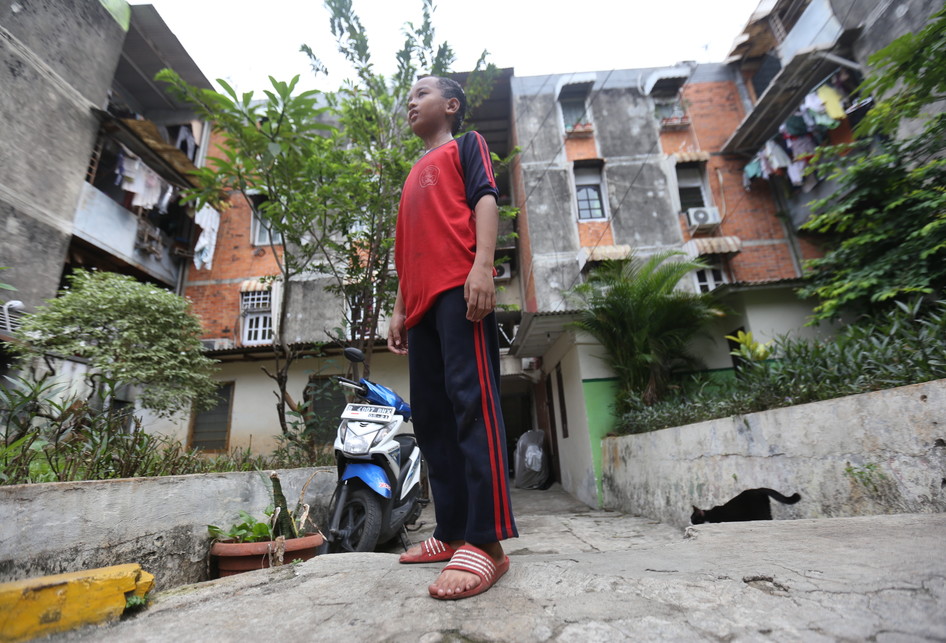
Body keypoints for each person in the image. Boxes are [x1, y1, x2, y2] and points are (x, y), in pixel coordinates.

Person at [387, 75, 518, 600]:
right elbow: (406, 251)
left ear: (451, 104)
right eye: (409, 97)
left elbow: (486, 201)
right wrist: (398, 310)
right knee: (434, 420)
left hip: (460, 292)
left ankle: (486, 543)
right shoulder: (411, 173)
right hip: (420, 309)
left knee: (472, 407)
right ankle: (451, 532)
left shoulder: (467, 146)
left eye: (421, 93)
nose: (411, 102)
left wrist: (483, 267)